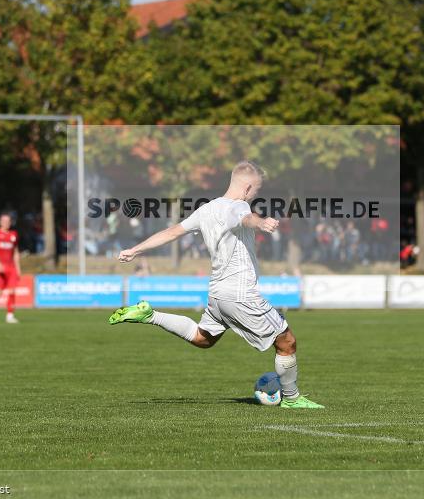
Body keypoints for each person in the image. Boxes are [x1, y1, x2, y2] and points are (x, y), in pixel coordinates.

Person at [110, 161, 324, 409]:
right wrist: (261, 222)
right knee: (286, 341)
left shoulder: (206, 210)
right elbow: (244, 217)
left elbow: (171, 232)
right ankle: (292, 399)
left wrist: (135, 250)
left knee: (203, 338)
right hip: (240, 293)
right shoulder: (238, 205)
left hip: (217, 293)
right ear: (247, 188)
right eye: (256, 191)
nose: (256, 196)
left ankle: (151, 315)